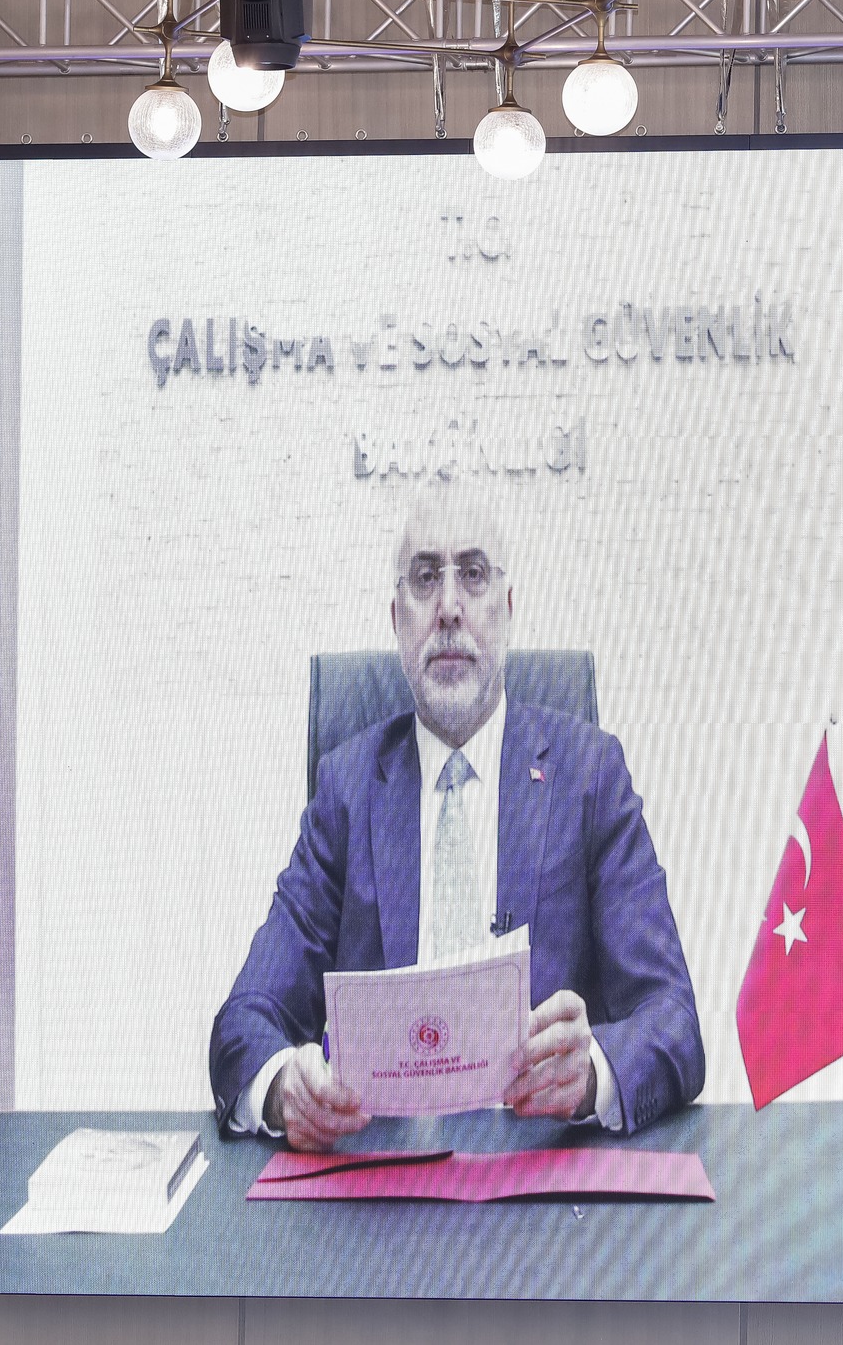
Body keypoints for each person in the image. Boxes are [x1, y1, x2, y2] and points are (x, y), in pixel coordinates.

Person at [209, 486, 704, 1150]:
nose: (448, 607)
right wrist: (280, 1087)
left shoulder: (589, 775)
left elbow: (674, 1020)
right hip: (381, 1176)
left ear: (507, 608)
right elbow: (244, 1019)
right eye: (424, 578)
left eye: (472, 574)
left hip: (541, 1180)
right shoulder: (346, 791)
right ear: (396, 618)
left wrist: (590, 1073)